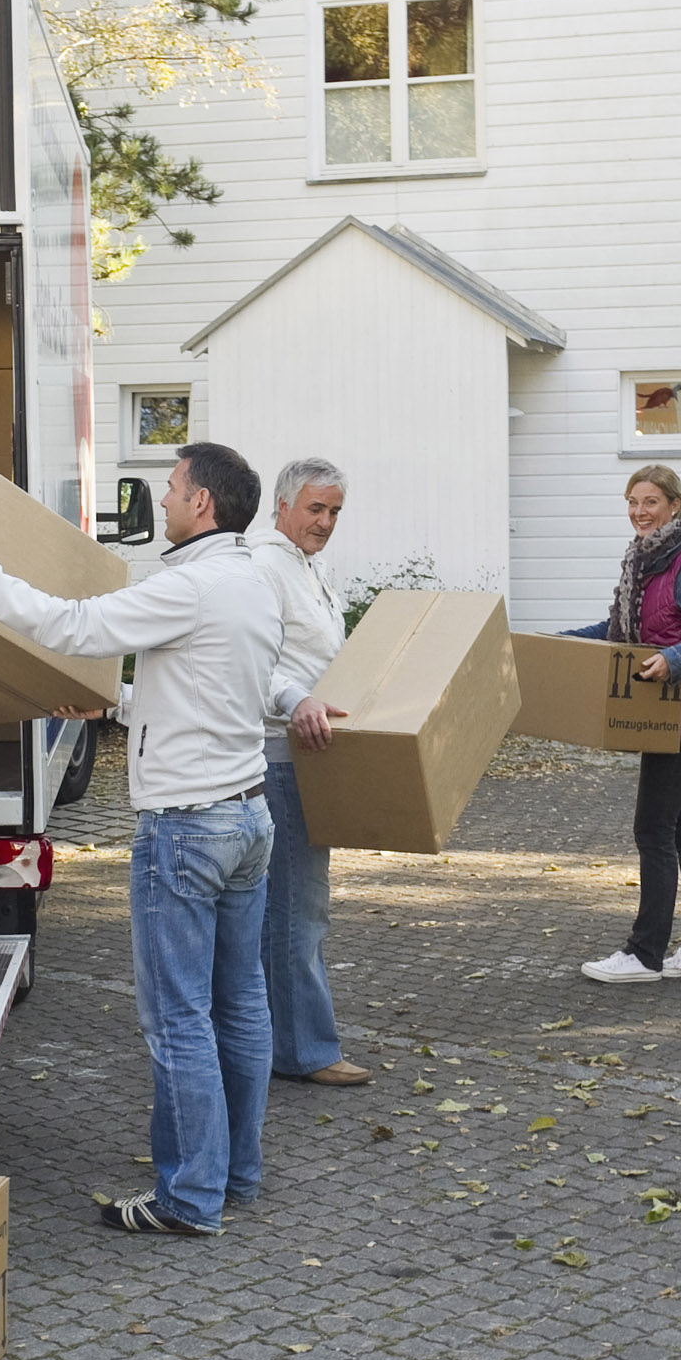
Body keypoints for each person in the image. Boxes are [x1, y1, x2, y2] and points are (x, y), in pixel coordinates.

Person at [0, 442, 319, 1237]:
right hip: (246, 817)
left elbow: (72, 625)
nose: (161, 500)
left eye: (170, 488)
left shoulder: (187, 583)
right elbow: (214, 688)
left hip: (186, 829)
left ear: (201, 503)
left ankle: (189, 1198)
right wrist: (115, 705)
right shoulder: (255, 581)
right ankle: (234, 1174)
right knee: (239, 1003)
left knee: (178, 1020)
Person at [569, 464, 681, 985]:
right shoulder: (643, 566)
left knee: (654, 830)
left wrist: (674, 660)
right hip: (668, 714)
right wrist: (560, 641)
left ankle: (645, 955)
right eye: (632, 501)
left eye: (650, 502)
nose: (639, 512)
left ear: (674, 506)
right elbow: (617, 629)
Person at [255, 458, 369, 1087]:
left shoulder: (312, 567)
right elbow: (250, 660)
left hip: (312, 754)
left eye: (334, 512)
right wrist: (296, 700)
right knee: (297, 910)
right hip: (280, 758)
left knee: (294, 907)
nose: (325, 523)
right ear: (283, 506)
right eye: (316, 509)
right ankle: (304, 1052)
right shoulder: (265, 568)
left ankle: (277, 1041)